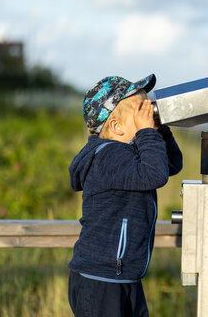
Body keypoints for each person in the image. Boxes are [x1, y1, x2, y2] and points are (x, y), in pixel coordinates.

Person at [67, 74, 182, 317]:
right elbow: (155, 175)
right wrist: (147, 133)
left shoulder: (125, 153)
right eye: (140, 112)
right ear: (116, 127)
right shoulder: (107, 156)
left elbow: (171, 165)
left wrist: (158, 129)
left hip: (121, 276)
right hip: (100, 280)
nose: (148, 115)